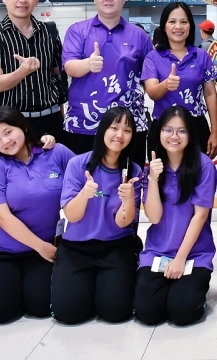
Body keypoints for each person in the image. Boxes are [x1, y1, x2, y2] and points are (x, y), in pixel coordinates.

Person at [0, 107, 75, 323]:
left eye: (8, 132)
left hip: (42, 248)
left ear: (23, 127)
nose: (5, 141)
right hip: (0, 248)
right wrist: (41, 247)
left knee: (41, 307)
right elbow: (2, 218)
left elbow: (83, 175)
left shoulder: (56, 152)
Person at [51, 107, 142, 324]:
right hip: (77, 247)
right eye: (114, 128)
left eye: (127, 130)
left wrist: (129, 199)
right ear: (102, 130)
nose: (120, 135)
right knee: (67, 314)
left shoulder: (133, 171)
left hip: (115, 246)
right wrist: (85, 194)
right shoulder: (78, 164)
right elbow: (72, 216)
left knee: (116, 313)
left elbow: (123, 222)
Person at [134, 106, 217, 326]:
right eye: (168, 130)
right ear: (159, 132)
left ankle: (192, 292)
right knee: (147, 313)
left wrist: (180, 259)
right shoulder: (152, 168)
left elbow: (200, 216)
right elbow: (154, 217)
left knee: (182, 312)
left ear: (190, 134)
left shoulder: (204, 166)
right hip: (158, 252)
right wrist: (153, 179)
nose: (174, 136)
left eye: (181, 131)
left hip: (193, 254)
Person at [63, 0, 153, 157]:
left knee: (129, 174)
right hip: (83, 123)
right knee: (82, 173)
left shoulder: (139, 35)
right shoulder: (77, 31)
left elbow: (149, 76)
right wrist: (88, 64)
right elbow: (69, 66)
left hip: (128, 125)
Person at [0, 0, 64, 145]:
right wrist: (23, 71)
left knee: (54, 162)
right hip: (10, 123)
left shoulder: (49, 32)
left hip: (51, 119)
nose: (23, 0)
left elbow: (57, 76)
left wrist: (61, 116)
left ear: (37, 0)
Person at [143, 2, 217, 158]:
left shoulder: (201, 56)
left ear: (190, 26)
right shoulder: (153, 57)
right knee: (161, 172)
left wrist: (215, 131)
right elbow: (152, 93)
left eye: (183, 22)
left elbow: (210, 94)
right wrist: (166, 84)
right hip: (163, 127)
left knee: (197, 172)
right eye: (172, 21)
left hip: (196, 126)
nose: (178, 26)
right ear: (164, 26)